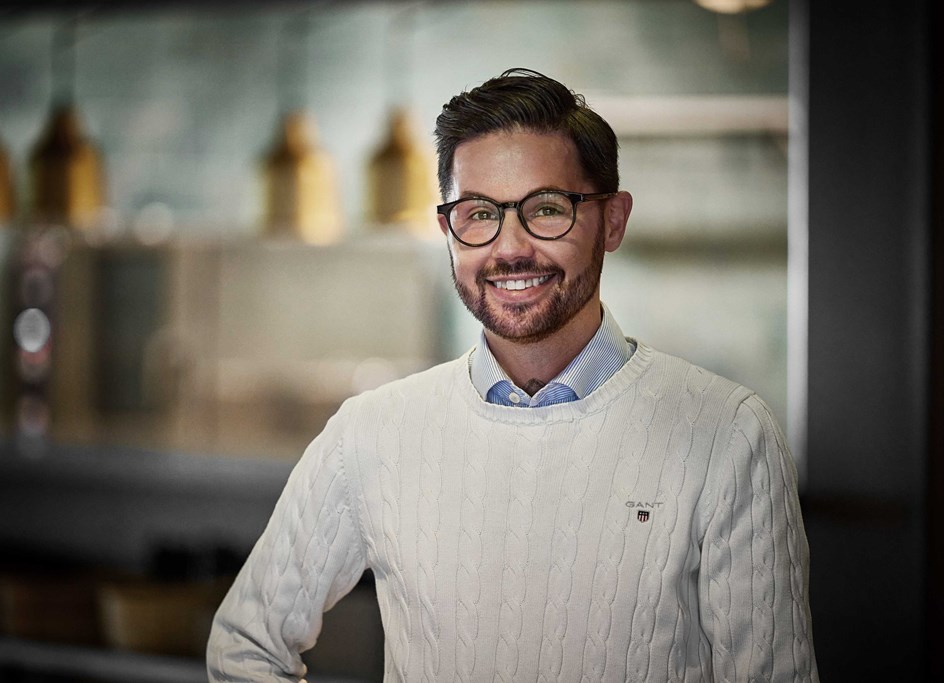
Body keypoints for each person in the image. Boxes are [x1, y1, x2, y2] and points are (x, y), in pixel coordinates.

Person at [208, 68, 818, 682]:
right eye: (479, 213)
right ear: (447, 230)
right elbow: (245, 646)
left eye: (547, 209)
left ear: (612, 220)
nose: (510, 249)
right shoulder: (370, 432)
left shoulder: (728, 435)